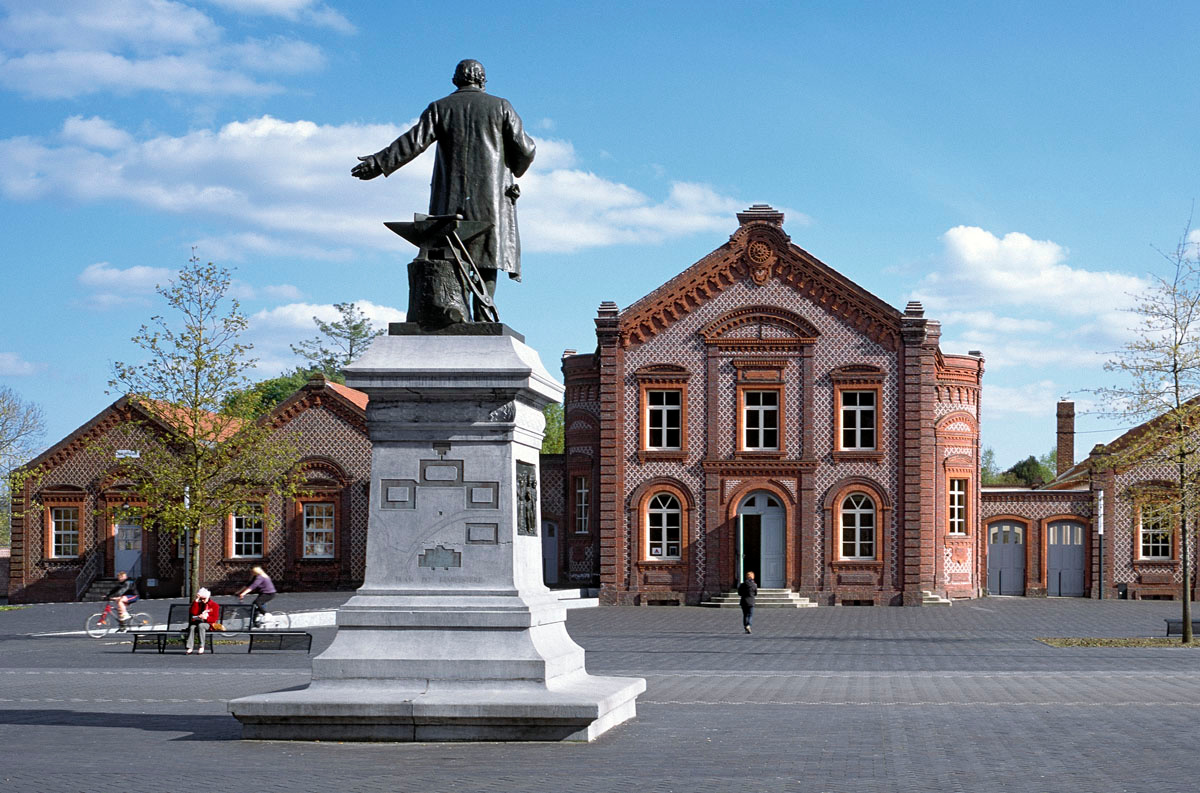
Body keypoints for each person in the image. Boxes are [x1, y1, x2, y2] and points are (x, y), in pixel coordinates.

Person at [351, 59, 536, 321]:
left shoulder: (440, 108)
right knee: (486, 254)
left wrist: (379, 162)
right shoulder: (501, 107)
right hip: (490, 198)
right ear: (483, 80)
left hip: (449, 199)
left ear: (455, 80)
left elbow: (413, 141)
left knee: (451, 251)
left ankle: (458, 311)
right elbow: (526, 149)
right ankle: (483, 314)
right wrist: (514, 170)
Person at [186, 587, 218, 655]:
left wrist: (206, 618)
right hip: (198, 622)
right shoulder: (200, 604)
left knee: (201, 625)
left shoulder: (214, 605)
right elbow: (193, 612)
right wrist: (196, 600)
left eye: (204, 599)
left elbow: (214, 619)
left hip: (208, 624)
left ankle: (201, 646)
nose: (202, 600)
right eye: (201, 599)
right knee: (192, 627)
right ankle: (190, 647)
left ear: (208, 597)